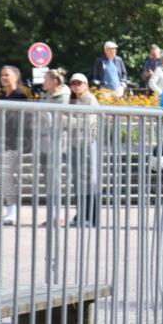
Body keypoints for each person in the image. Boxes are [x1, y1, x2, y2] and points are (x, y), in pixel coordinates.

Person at [0, 65, 28, 226]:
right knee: (5, 177)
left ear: (15, 77)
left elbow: (17, 120)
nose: (3, 77)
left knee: (8, 176)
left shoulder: (20, 96)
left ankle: (12, 213)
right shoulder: (0, 98)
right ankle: (10, 211)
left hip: (13, 142)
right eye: (1, 75)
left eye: (7, 75)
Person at [37, 69, 71, 226]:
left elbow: (58, 118)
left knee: (55, 179)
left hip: (56, 141)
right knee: (48, 178)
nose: (43, 82)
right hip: (44, 140)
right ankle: (53, 214)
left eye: (46, 79)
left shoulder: (63, 97)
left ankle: (60, 215)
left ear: (55, 81)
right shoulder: (45, 96)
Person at [67, 73, 99, 227]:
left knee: (89, 181)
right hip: (75, 144)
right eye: (73, 83)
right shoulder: (73, 101)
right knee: (77, 182)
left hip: (88, 143)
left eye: (79, 83)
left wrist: (67, 121)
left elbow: (90, 121)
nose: (76, 85)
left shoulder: (90, 99)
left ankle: (92, 217)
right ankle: (81, 214)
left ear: (86, 85)